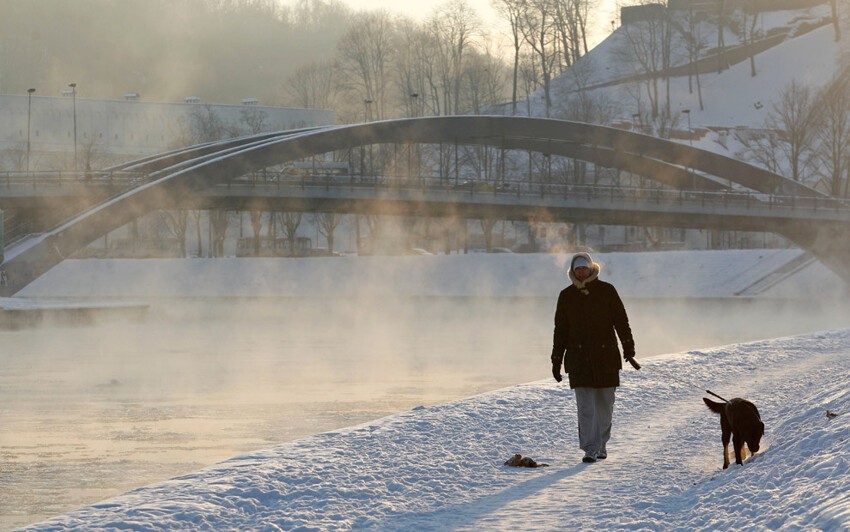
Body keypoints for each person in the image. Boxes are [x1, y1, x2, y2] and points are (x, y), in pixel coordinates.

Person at [551, 252, 636, 463]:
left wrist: (628, 346)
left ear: (591, 269)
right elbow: (560, 330)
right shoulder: (566, 295)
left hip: (605, 355)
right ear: (573, 271)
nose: (581, 271)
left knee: (605, 405)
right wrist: (556, 360)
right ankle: (590, 447)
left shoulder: (607, 291)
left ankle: (602, 444)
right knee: (586, 407)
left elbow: (621, 320)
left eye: (584, 268)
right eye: (577, 268)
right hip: (578, 359)